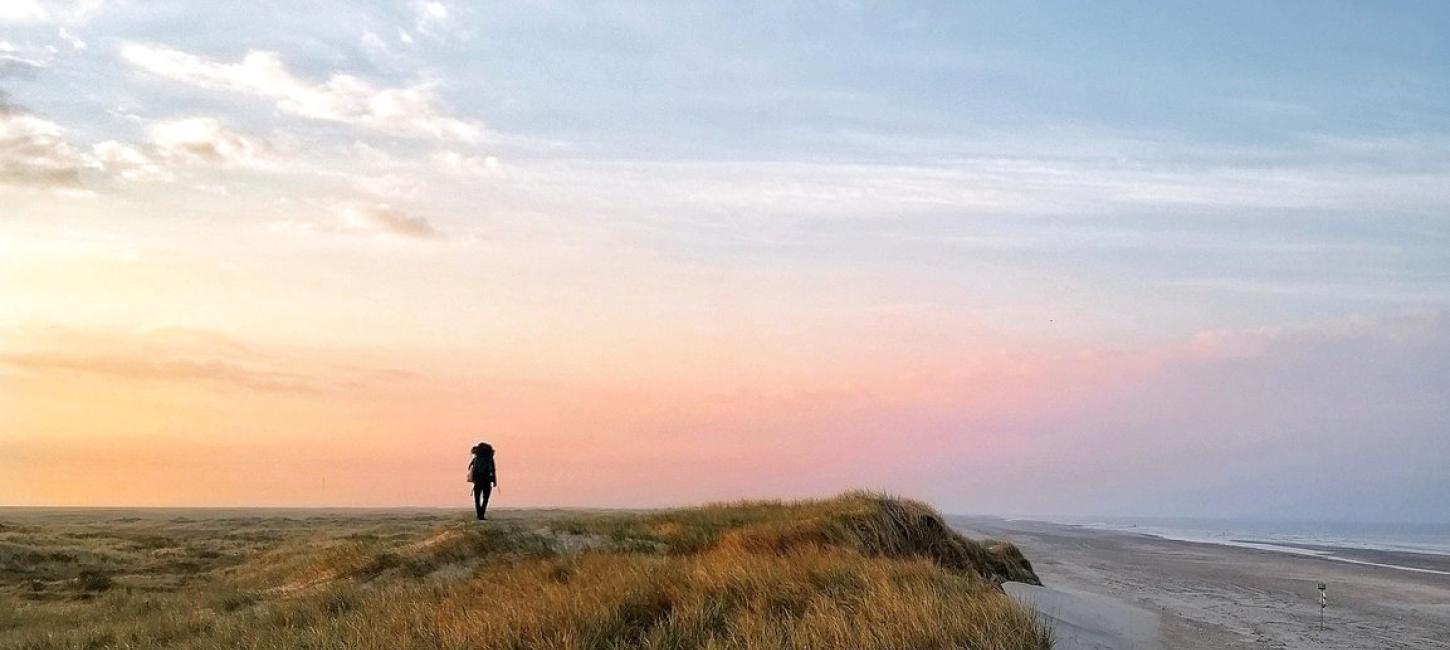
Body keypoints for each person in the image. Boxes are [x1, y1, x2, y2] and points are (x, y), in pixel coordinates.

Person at [467, 442, 497, 520]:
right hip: (487, 480)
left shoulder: (476, 458)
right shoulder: (490, 458)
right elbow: (493, 470)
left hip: (478, 481)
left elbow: (469, 468)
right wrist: (495, 481)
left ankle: (479, 514)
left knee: (477, 498)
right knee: (485, 498)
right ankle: (482, 514)